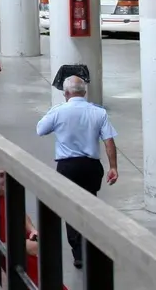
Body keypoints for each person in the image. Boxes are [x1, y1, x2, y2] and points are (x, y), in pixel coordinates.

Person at [36, 75, 118, 269]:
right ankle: (91, 246)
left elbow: (41, 129)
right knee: (89, 204)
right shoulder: (99, 113)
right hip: (91, 167)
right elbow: (109, 142)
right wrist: (113, 166)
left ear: (65, 93)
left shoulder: (59, 111)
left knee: (71, 208)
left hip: (67, 167)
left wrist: (53, 112)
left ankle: (78, 252)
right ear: (85, 92)